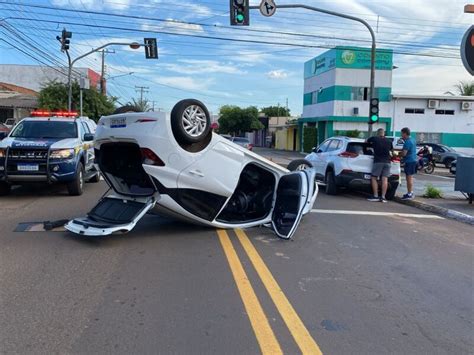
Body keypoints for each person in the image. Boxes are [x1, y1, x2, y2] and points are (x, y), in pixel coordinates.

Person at [366, 128, 393, 203]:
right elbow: (391, 150)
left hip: (378, 161)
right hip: (387, 162)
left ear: (378, 133)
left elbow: (366, 141)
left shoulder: (374, 138)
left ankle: (375, 196)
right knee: (385, 179)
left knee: (374, 177)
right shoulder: (389, 141)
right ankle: (383, 197)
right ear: (384, 133)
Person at [400, 127, 417, 200]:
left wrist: (397, 154)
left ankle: (409, 193)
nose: (401, 135)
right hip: (413, 160)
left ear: (405, 133)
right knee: (410, 178)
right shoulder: (413, 140)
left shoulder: (407, 142)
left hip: (409, 161)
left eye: (402, 133)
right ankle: (410, 192)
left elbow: (404, 153)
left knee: (408, 178)